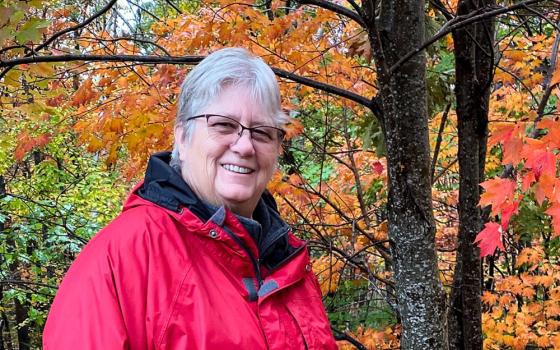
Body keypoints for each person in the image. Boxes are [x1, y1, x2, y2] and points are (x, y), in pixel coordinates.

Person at [42, 48, 338, 349]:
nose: (245, 146)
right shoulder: (122, 257)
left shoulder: (288, 262)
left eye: (262, 132)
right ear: (182, 138)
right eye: (223, 125)